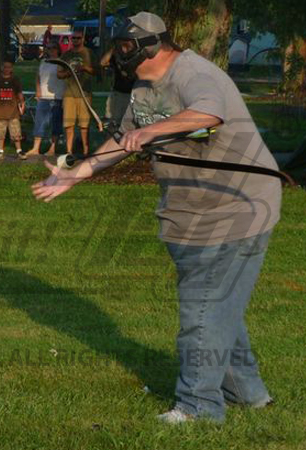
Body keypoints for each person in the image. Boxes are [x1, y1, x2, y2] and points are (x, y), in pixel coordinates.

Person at [32, 12, 281, 424]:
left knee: (203, 308)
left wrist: (149, 133)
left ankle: (199, 408)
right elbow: (123, 141)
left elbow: (209, 113)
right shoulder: (144, 89)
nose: (118, 58)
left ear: (147, 47)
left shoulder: (195, 73)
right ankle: (248, 393)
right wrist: (76, 174)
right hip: (187, 212)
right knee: (218, 309)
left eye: (124, 49)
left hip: (237, 208)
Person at [24, 42, 66, 157]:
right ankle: (36, 148)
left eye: (53, 48)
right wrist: (38, 91)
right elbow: (38, 77)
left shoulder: (62, 62)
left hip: (57, 96)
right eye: (48, 48)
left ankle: (52, 148)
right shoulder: (43, 62)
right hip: (43, 96)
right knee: (39, 122)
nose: (51, 50)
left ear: (58, 50)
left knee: (55, 124)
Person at [58, 30, 95, 155]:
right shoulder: (66, 55)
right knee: (69, 124)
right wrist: (69, 72)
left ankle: (86, 151)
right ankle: (69, 151)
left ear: (83, 39)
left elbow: (97, 72)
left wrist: (84, 68)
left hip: (85, 93)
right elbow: (59, 74)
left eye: (78, 38)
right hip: (69, 94)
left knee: (84, 125)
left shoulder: (89, 53)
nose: (75, 40)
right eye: (73, 38)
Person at [0, 59, 25, 160]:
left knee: (16, 133)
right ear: (1, 68)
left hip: (13, 111)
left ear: (12, 69)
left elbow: (19, 93)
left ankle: (19, 151)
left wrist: (22, 103)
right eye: (5, 67)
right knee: (0, 133)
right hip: (0, 111)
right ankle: (0, 151)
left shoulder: (15, 79)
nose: (7, 69)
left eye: (9, 67)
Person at [101, 47, 136, 122]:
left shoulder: (137, 55)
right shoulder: (117, 56)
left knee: (131, 122)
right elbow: (103, 63)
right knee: (112, 121)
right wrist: (112, 48)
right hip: (118, 92)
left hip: (134, 93)